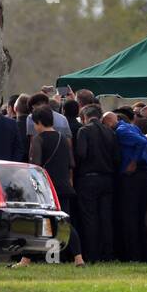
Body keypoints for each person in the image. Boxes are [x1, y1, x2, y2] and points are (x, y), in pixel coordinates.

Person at [28, 105, 84, 266]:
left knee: (39, 221)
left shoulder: (38, 139)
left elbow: (35, 166)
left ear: (39, 122)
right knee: (64, 223)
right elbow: (71, 163)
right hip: (64, 186)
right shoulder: (63, 138)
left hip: (46, 188)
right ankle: (78, 257)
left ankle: (27, 259)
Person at [105, 111, 147, 261]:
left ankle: (133, 255)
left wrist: (133, 162)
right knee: (140, 216)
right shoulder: (132, 127)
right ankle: (145, 255)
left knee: (130, 216)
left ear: (109, 123)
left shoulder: (121, 131)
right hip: (142, 175)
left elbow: (142, 143)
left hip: (131, 176)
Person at [74, 104, 117, 263]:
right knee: (106, 219)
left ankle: (92, 255)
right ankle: (108, 255)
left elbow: (81, 154)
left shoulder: (83, 131)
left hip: (88, 179)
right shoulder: (110, 132)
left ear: (85, 117)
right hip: (107, 179)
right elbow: (116, 157)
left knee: (90, 218)